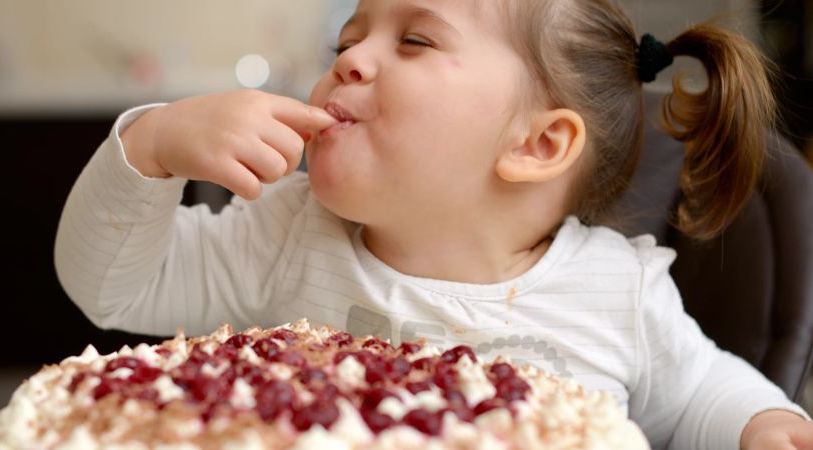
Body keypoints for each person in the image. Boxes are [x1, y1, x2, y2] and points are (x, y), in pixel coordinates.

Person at [54, 0, 812, 448]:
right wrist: (148, 146)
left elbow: (699, 389)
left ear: (537, 144)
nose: (350, 60)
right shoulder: (284, 233)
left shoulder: (617, 292)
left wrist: (761, 423)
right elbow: (113, 289)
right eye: (346, 40)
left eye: (414, 40)